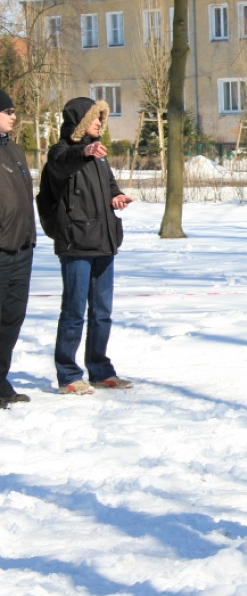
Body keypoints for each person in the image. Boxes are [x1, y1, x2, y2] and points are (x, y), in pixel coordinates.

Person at [38, 97, 134, 395]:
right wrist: (83, 151)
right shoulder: (61, 152)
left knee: (102, 313)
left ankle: (100, 369)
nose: (99, 122)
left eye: (101, 118)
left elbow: (109, 185)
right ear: (79, 122)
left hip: (104, 241)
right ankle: (68, 374)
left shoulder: (100, 155)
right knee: (74, 312)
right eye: (94, 117)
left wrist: (117, 196)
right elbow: (63, 163)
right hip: (76, 243)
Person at [0, 89, 37, 406]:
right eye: (7, 111)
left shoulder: (14, 150)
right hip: (0, 249)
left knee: (12, 318)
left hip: (22, 248)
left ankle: (0, 379)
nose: (14, 115)